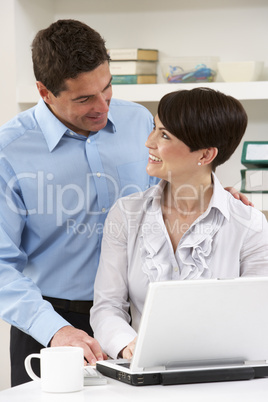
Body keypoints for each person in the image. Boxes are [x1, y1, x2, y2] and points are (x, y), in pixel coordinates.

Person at [0, 19, 250, 386]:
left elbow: (163, 193)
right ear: (45, 92)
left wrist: (208, 196)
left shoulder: (136, 121)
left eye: (107, 87)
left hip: (137, 322)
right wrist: (55, 330)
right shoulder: (9, 152)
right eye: (84, 98)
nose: (103, 106)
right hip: (53, 326)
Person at [90, 88, 268, 361]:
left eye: (164, 135)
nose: (149, 142)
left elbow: (256, 316)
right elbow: (107, 307)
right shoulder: (126, 214)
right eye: (154, 128)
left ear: (206, 155)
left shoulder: (248, 225)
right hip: (142, 375)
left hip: (222, 376)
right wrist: (129, 345)